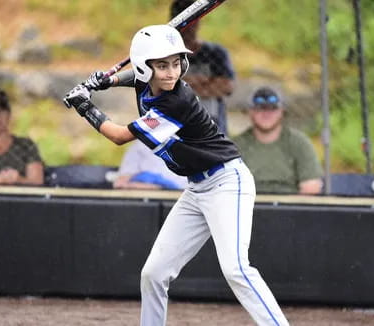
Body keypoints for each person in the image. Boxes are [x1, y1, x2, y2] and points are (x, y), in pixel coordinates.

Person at [63, 25, 290, 326]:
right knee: (154, 274)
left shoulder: (175, 101)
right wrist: (109, 80)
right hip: (197, 189)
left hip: (226, 183)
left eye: (175, 64)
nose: (170, 73)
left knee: (236, 268)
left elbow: (118, 135)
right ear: (146, 68)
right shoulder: (147, 82)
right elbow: (135, 77)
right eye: (161, 65)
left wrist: (85, 106)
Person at [233, 86, 323, 194]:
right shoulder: (235, 147)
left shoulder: (299, 143)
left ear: (282, 111)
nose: (266, 113)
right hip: (247, 207)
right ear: (250, 112)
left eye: (272, 108)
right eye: (260, 108)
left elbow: (311, 187)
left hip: (290, 208)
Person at [169, 0, 235, 135]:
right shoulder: (165, 55)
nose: (188, 28)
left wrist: (183, 84)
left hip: (213, 127)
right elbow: (160, 87)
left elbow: (227, 86)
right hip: (174, 128)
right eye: (184, 23)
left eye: (192, 22)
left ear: (199, 22)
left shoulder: (215, 53)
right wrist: (205, 82)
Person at [113, 139, 187, 190]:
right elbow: (120, 183)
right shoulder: (140, 145)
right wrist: (157, 187)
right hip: (150, 203)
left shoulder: (189, 142)